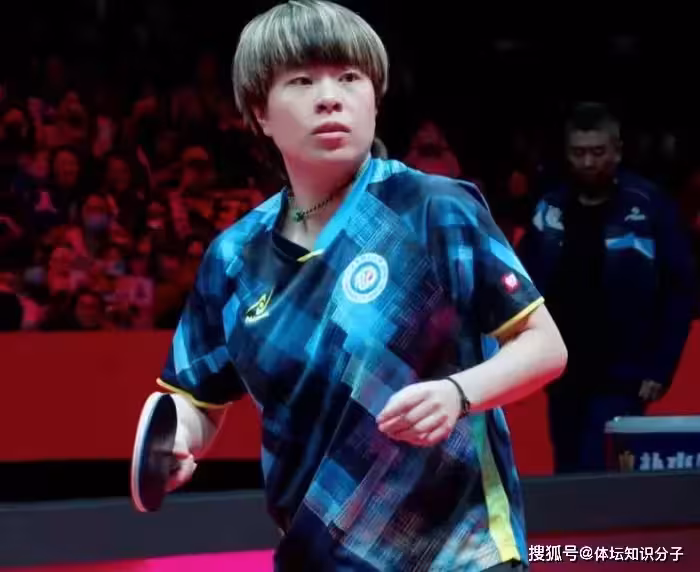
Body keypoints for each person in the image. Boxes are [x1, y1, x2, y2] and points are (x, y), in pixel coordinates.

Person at [146, 1, 567, 570]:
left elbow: (544, 345)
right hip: (318, 556)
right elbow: (197, 399)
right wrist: (176, 437)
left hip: (459, 554)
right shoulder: (235, 258)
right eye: (301, 81)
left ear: (374, 98)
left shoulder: (433, 209)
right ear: (260, 113)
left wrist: (458, 393)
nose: (330, 97)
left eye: (349, 77)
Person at [518, 102, 696, 474]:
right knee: (568, 469)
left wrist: (661, 366)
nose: (588, 162)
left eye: (598, 152)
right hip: (562, 370)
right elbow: (523, 281)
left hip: (623, 372)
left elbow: (679, 291)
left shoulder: (649, 207)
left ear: (617, 151)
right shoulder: (549, 207)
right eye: (578, 152)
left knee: (601, 469)